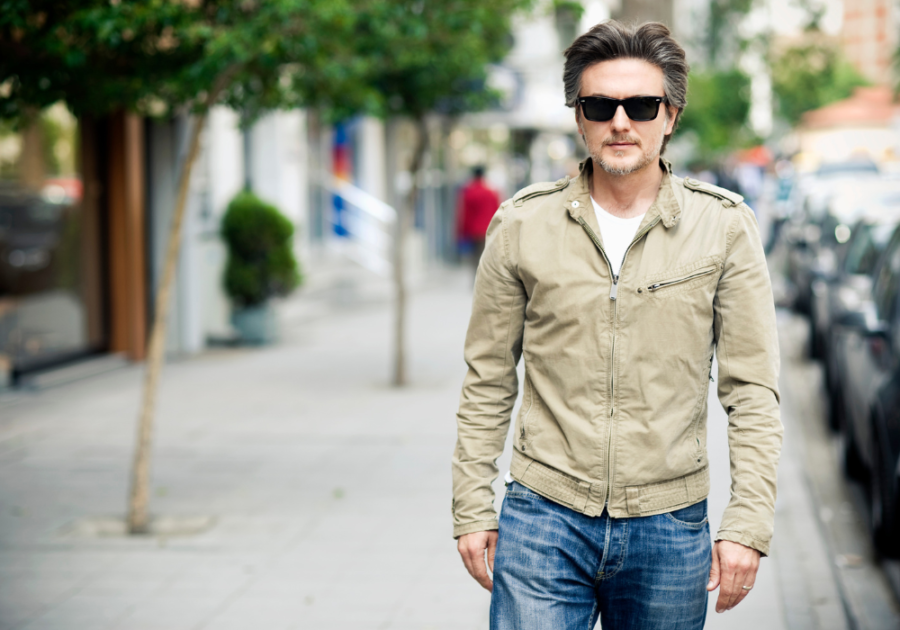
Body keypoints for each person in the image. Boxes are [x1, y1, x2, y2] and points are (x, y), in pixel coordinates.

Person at [451, 20, 781, 630]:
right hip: (543, 517)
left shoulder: (725, 226)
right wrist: (472, 506)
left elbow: (753, 390)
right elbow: (488, 376)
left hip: (670, 523)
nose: (620, 122)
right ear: (580, 118)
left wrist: (747, 525)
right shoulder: (522, 225)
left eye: (641, 105)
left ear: (670, 116)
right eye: (600, 105)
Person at [457, 166, 501, 272]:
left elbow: (465, 214)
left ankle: (477, 280)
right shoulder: (491, 192)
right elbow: (498, 211)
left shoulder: (468, 193)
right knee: (488, 257)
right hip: (489, 229)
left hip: (473, 231)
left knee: (475, 258)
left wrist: (462, 231)